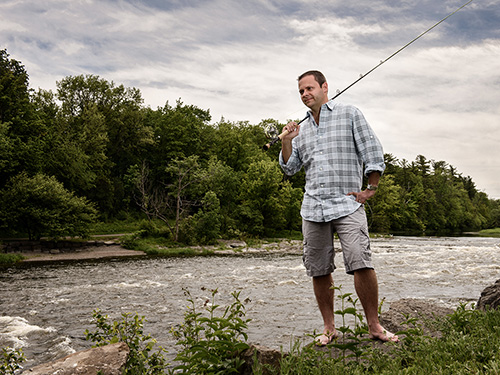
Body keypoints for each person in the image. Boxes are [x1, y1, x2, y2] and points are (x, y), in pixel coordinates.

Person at [279, 70, 398, 345]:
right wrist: (286, 140)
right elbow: (290, 168)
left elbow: (373, 152)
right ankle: (329, 328)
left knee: (361, 261)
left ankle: (374, 326)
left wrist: (371, 189)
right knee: (319, 269)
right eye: (301, 91)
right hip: (312, 208)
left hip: (347, 204)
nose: (305, 94)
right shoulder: (301, 128)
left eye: (309, 88)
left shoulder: (349, 113)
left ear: (324, 87)